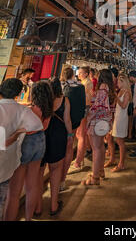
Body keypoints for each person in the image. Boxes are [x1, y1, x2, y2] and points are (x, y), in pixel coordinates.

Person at [4, 80, 53, 221]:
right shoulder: (48, 110)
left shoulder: (29, 110)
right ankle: (28, 218)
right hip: (40, 142)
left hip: (27, 143)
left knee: (14, 190)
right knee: (32, 185)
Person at [33, 78, 72, 217]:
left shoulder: (39, 102)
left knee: (38, 174)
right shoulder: (64, 100)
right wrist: (70, 135)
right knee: (55, 171)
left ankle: (37, 208)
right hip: (58, 137)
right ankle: (54, 206)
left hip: (41, 139)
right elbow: (67, 120)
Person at [82, 69, 112, 186]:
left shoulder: (102, 88)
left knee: (96, 149)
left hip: (96, 121)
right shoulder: (108, 88)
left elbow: (97, 107)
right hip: (103, 121)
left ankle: (95, 178)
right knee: (100, 147)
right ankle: (100, 171)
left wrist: (89, 118)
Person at [60, 67, 86, 191]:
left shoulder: (62, 86)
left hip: (61, 122)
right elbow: (83, 103)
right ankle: (62, 178)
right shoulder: (81, 86)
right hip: (75, 121)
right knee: (69, 147)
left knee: (60, 148)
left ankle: (57, 175)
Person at [70, 66, 93, 172]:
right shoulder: (84, 82)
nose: (78, 75)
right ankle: (81, 157)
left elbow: (83, 97)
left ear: (86, 74)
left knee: (80, 135)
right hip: (83, 108)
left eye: (80, 73)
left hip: (83, 108)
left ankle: (78, 161)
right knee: (82, 134)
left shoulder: (86, 83)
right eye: (78, 73)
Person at [111, 73, 132, 172]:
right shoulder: (121, 91)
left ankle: (121, 163)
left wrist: (116, 96)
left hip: (122, 118)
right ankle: (120, 162)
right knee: (118, 140)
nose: (117, 83)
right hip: (117, 116)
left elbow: (123, 106)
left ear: (124, 82)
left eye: (119, 82)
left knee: (120, 142)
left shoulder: (126, 92)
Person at [104, 68, 118, 168]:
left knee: (109, 138)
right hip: (109, 116)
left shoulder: (109, 89)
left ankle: (112, 158)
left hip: (110, 116)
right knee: (109, 138)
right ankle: (110, 153)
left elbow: (111, 104)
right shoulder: (111, 88)